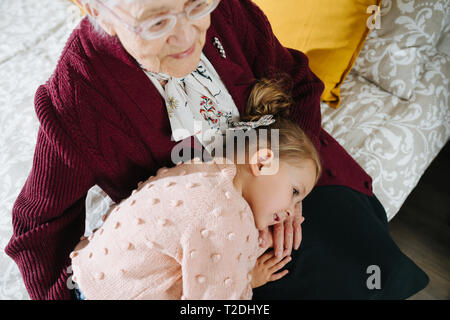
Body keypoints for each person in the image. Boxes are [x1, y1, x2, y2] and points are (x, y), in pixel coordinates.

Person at [5, 0, 428, 300]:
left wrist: (286, 189)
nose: (188, 36)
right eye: (155, 22)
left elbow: (298, 83)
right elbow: (38, 226)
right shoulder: (77, 99)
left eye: (196, 5)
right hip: (205, 238)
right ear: (95, 9)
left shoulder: (227, 11)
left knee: (364, 257)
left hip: (281, 179)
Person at [69, 78, 322, 300]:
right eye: (294, 193)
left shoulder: (202, 171)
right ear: (262, 162)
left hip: (92, 272)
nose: (293, 211)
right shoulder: (228, 216)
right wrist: (248, 281)